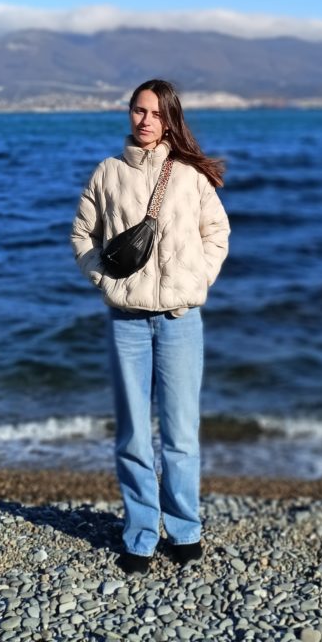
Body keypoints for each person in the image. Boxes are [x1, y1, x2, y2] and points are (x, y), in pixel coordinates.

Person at [71, 79, 230, 574]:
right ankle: (140, 533)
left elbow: (217, 232)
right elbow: (82, 235)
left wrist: (198, 279)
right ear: (129, 113)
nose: (145, 121)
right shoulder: (108, 172)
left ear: (169, 119)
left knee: (181, 434)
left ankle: (184, 529)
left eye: (156, 114)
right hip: (126, 323)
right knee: (133, 436)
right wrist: (105, 280)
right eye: (139, 111)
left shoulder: (189, 175)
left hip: (181, 321)